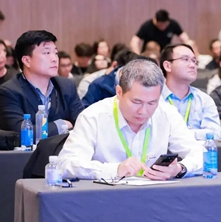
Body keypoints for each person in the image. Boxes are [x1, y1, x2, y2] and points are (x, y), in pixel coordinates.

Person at [57, 59, 203, 180]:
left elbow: (202, 154)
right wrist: (115, 169)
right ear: (119, 92)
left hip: (156, 196)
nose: (143, 111)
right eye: (136, 102)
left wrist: (180, 168)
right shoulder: (93, 116)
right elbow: (65, 165)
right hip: (106, 198)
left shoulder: (167, 113)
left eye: (152, 103)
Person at [0, 30, 84, 136]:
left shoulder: (66, 86)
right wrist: (60, 125)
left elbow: (82, 123)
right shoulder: (8, 92)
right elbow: (20, 133)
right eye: (47, 53)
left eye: (55, 53)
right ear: (27, 61)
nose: (54, 59)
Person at [160, 44, 221, 140]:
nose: (192, 65)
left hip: (198, 150)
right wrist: (196, 134)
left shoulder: (204, 100)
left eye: (194, 61)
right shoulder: (153, 99)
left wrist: (177, 134)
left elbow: (214, 135)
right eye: (185, 59)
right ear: (167, 66)